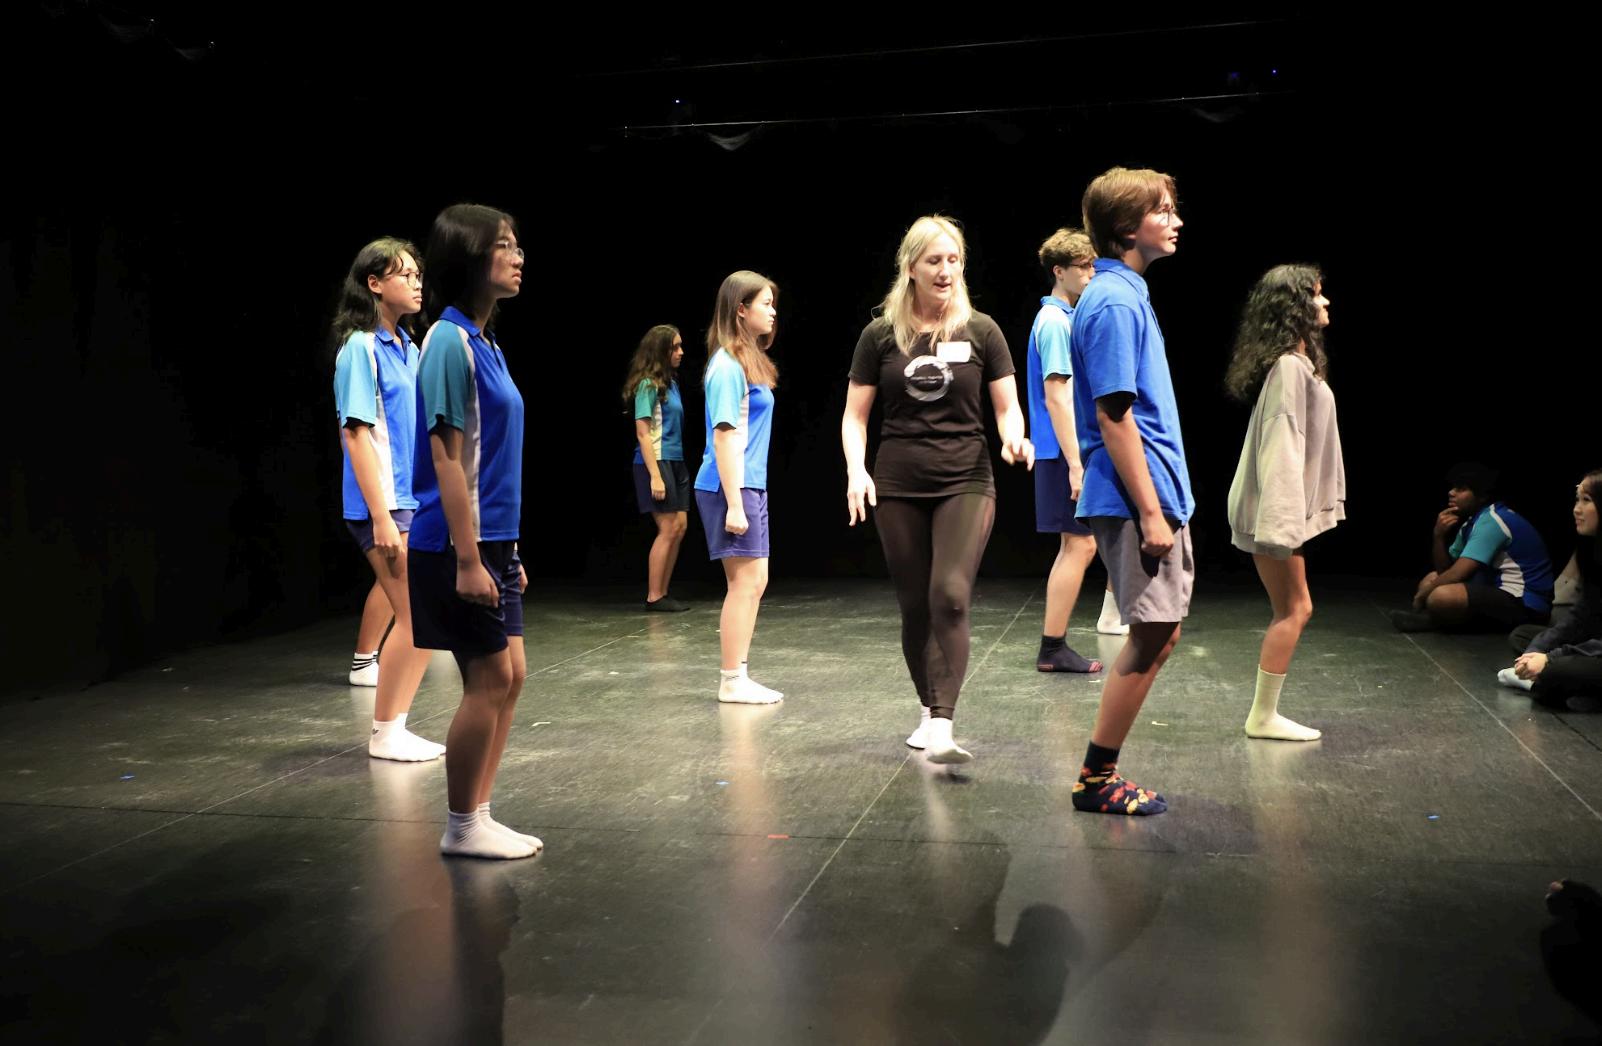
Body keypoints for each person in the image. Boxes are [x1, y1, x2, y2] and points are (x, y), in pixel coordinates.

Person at [842, 215, 1033, 764]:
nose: (945, 270)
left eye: (953, 260)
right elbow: (855, 417)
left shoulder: (982, 331)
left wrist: (1014, 438)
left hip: (966, 478)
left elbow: (1007, 408)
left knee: (949, 594)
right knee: (915, 606)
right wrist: (857, 470)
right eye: (934, 261)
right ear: (911, 268)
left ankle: (944, 725)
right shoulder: (880, 335)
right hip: (898, 482)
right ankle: (928, 710)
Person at [408, 204, 541, 859]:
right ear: (469, 257)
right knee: (487, 679)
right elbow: (446, 459)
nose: (518, 256)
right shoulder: (447, 341)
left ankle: (479, 815)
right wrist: (468, 559)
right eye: (504, 246)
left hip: (493, 539)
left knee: (510, 676)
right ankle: (461, 825)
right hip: (453, 543)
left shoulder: (487, 343)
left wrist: (505, 551)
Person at [1067, 167, 1192, 815]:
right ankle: (1096, 779)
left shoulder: (1125, 294)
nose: (1175, 220)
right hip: (1133, 495)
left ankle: (1099, 775)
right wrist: (1149, 511)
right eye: (1162, 210)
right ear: (1125, 226)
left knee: (1159, 633)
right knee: (1151, 635)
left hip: (1150, 489)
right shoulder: (1115, 302)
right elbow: (1114, 416)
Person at [330, 237, 445, 761]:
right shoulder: (360, 348)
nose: (417, 284)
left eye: (419, 275)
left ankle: (392, 727)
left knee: (423, 616)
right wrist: (380, 515)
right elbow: (355, 434)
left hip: (412, 502)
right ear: (374, 284)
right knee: (419, 616)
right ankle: (386, 732)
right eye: (405, 275)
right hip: (382, 504)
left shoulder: (409, 349)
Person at [1224, 264, 1345, 741]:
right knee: (1295, 609)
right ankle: (1262, 716)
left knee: (1296, 607)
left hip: (1275, 508)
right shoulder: (1289, 369)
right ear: (1294, 307)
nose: (1325, 302)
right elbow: (1282, 444)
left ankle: (1264, 714)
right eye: (1316, 295)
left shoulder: (1296, 363)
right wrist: (1281, 525)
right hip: (1271, 508)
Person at [1024, 227, 1120, 675]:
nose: (1090, 274)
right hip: (1064, 451)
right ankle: (1052, 646)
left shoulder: (1067, 318)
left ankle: (1079, 632)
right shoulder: (1055, 322)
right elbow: (1057, 396)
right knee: (1079, 545)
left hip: (1070, 450)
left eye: (1093, 266)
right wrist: (1076, 465)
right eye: (1083, 267)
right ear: (1059, 271)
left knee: (1086, 542)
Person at [693, 271, 784, 705]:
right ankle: (732, 679)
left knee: (755, 579)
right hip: (730, 485)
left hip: (749, 483)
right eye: (765, 303)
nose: (773, 311)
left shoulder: (747, 361)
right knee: (744, 582)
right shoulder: (727, 365)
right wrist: (734, 503)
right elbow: (724, 436)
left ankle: (739, 674)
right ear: (741, 310)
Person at [1389, 462, 1554, 633]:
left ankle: (1440, 622)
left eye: (1461, 489)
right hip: (1497, 592)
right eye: (1453, 487)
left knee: (1440, 595)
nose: (1451, 492)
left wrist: (1422, 596)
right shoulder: (1472, 522)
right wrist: (1438, 536)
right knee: (1431, 579)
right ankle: (1442, 621)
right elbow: (1444, 571)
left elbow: (1457, 574)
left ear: (1481, 496)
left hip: (1527, 604)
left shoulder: (1493, 521)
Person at [1498, 470, 1602, 711]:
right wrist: (1537, 651)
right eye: (1577, 499)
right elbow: (1583, 613)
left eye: (1586, 500)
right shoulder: (1591, 550)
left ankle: (1547, 683)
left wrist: (1551, 659)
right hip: (1594, 645)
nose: (1576, 509)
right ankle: (1573, 688)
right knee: (1524, 637)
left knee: (1555, 669)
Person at [624, 324, 691, 612]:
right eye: (675, 347)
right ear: (660, 351)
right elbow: (642, 433)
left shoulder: (671, 383)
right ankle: (654, 596)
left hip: (675, 460)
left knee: (680, 526)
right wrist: (655, 476)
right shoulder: (648, 385)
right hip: (656, 461)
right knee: (668, 527)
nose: (680, 352)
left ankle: (663, 592)